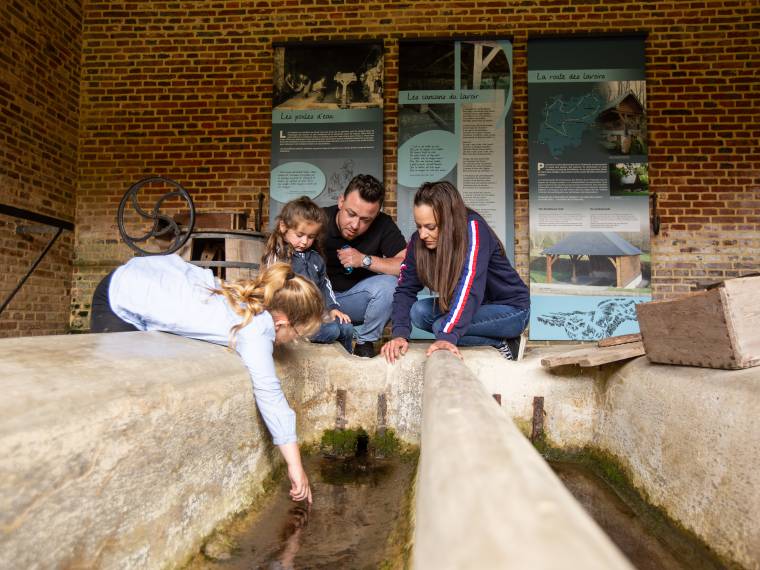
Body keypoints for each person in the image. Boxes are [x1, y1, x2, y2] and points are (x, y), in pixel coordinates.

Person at [90, 254, 323, 503]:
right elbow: (269, 393)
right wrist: (295, 467)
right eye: (298, 335)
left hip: (145, 273)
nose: (296, 341)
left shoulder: (249, 298)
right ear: (282, 322)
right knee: (119, 389)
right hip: (120, 298)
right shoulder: (257, 329)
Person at [381, 181, 530, 364]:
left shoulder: (474, 229)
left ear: (449, 220)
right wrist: (399, 334)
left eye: (430, 227)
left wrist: (447, 335)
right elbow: (405, 288)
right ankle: (494, 340)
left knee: (441, 327)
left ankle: (506, 343)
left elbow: (469, 285)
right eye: (419, 226)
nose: (422, 234)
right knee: (419, 312)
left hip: (511, 311)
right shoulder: (417, 242)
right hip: (476, 309)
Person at [323, 174, 407, 357]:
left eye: (365, 220)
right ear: (341, 202)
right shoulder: (319, 220)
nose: (355, 225)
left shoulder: (383, 224)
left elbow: (407, 266)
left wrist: (365, 260)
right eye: (351, 214)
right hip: (319, 303)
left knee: (391, 285)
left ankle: (364, 344)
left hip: (354, 301)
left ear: (375, 215)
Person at [263, 196, 354, 354]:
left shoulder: (316, 258)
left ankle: (348, 359)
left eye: (311, 237)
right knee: (332, 331)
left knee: (345, 326)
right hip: (292, 319)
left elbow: (325, 285)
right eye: (299, 235)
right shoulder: (278, 256)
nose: (304, 241)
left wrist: (332, 308)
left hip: (316, 316)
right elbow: (272, 291)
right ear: (283, 227)